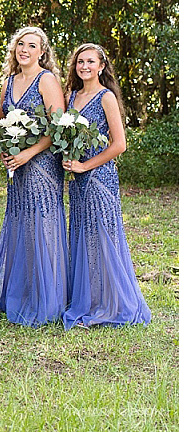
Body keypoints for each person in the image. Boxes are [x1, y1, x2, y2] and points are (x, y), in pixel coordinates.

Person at [61, 43, 151, 329]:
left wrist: (86, 165)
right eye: (79, 62)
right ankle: (88, 299)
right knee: (82, 237)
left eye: (90, 62)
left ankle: (112, 304)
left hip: (100, 178)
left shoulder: (106, 97)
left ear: (101, 66)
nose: (84, 66)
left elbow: (119, 144)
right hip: (77, 181)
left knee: (103, 238)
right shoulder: (70, 96)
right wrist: (69, 158)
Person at [0, 27, 68, 327]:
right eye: (20, 44)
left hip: (42, 165)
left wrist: (29, 153)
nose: (24, 49)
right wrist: (5, 148)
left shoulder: (46, 80)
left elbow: (58, 125)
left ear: (42, 52)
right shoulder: (9, 81)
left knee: (41, 224)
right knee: (21, 223)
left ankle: (45, 298)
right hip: (17, 167)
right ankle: (21, 292)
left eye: (32, 45)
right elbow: (1, 120)